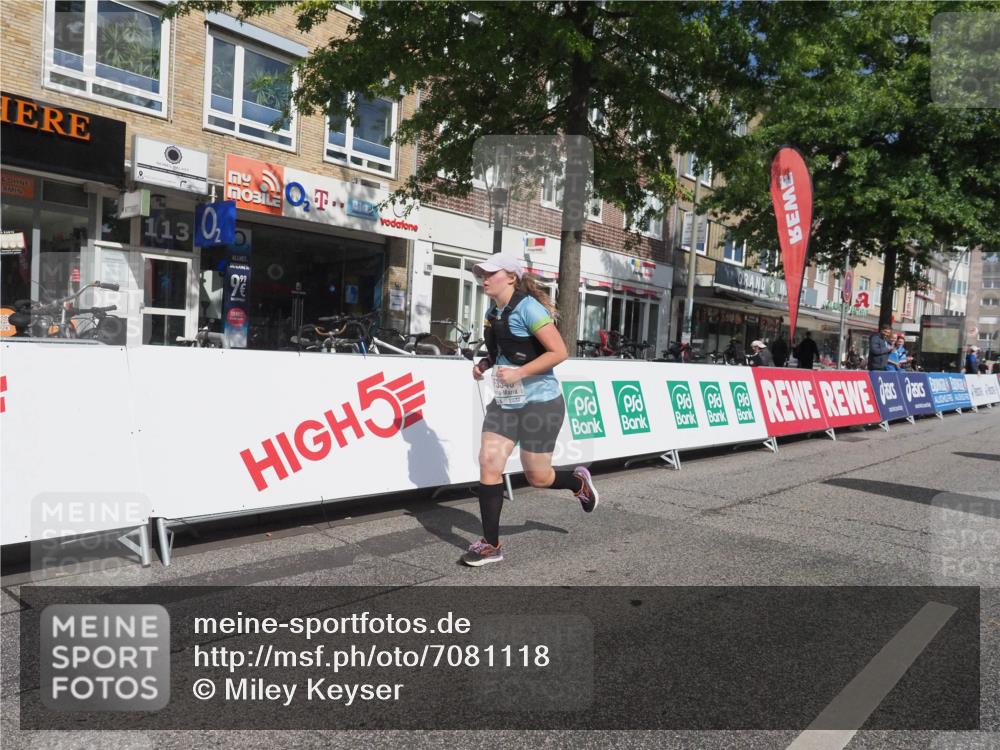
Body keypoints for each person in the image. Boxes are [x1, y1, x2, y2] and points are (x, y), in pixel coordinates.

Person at [465, 254, 599, 566]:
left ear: (510, 276)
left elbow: (559, 351)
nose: (483, 277)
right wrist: (487, 363)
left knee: (538, 477)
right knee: (488, 461)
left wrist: (520, 373)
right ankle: (491, 545)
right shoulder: (493, 311)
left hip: (541, 402)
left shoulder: (529, 308)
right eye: (480, 273)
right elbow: (504, 352)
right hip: (505, 402)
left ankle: (578, 483)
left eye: (490, 272)